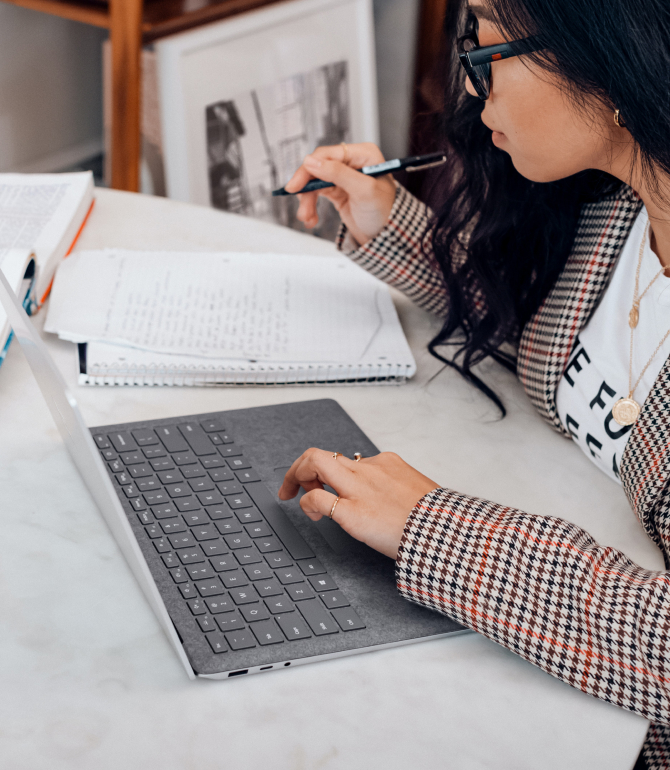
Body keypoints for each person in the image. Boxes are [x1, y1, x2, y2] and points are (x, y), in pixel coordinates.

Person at [277, 1, 670, 767]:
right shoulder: (624, 204)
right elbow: (552, 338)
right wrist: (390, 225)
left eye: (486, 45)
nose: (468, 81)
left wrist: (433, 528)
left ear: (613, 55)